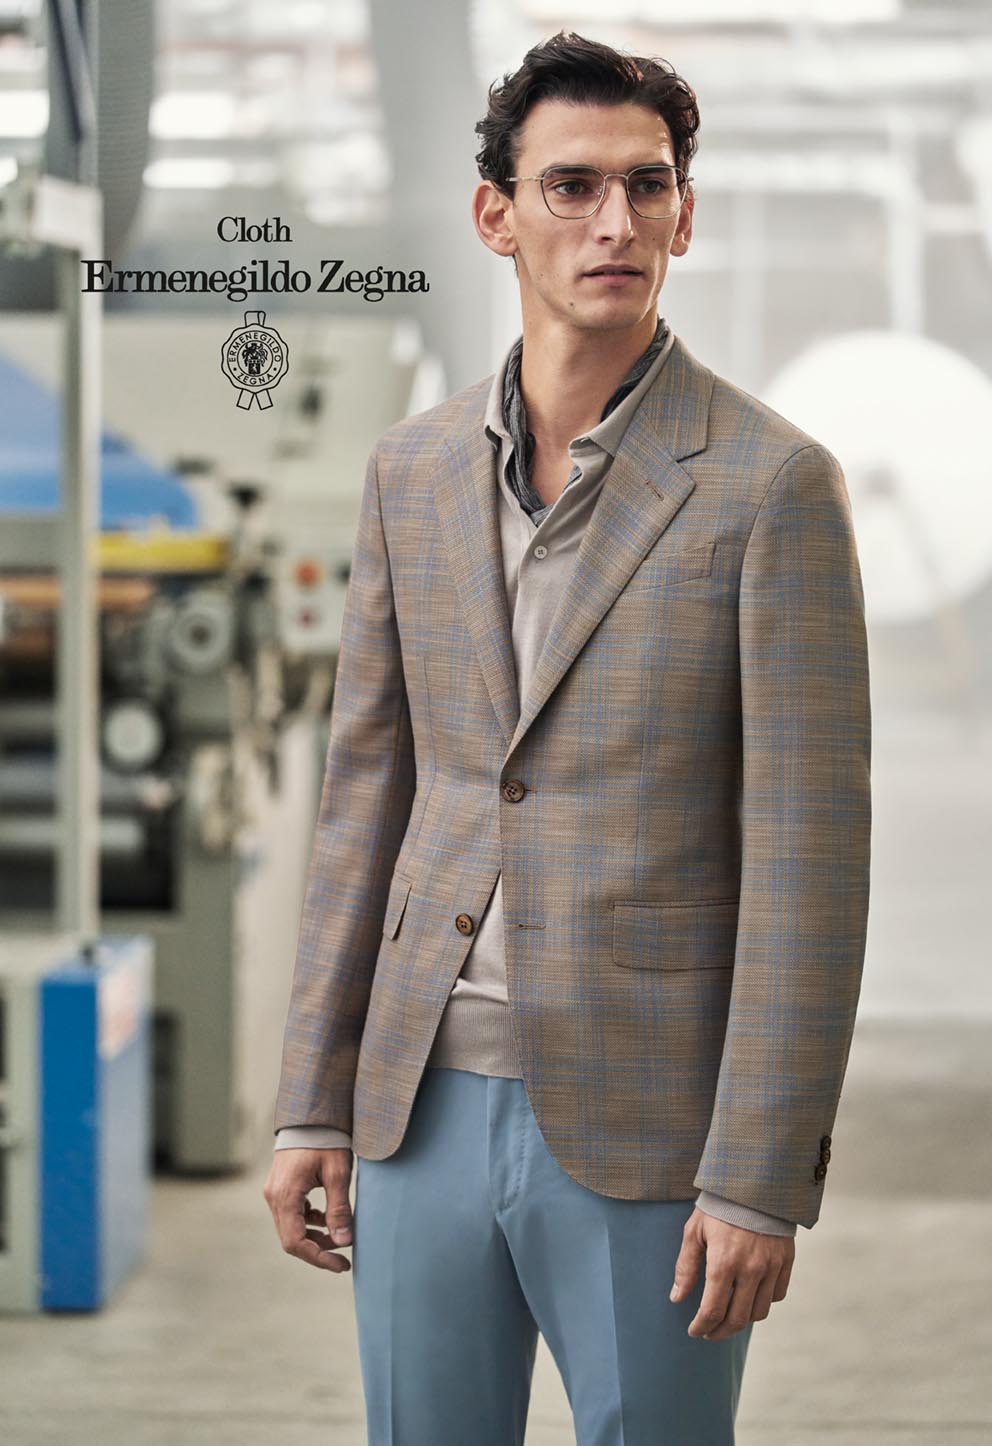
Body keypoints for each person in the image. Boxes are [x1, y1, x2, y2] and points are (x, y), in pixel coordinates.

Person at [264, 30, 871, 1446]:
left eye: (648, 187)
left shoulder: (772, 486)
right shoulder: (412, 472)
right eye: (574, 186)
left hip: (650, 1123)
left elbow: (807, 863)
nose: (616, 222)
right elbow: (367, 800)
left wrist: (758, 1172)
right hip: (415, 1104)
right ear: (498, 216)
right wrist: (310, 1100)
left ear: (684, 215)